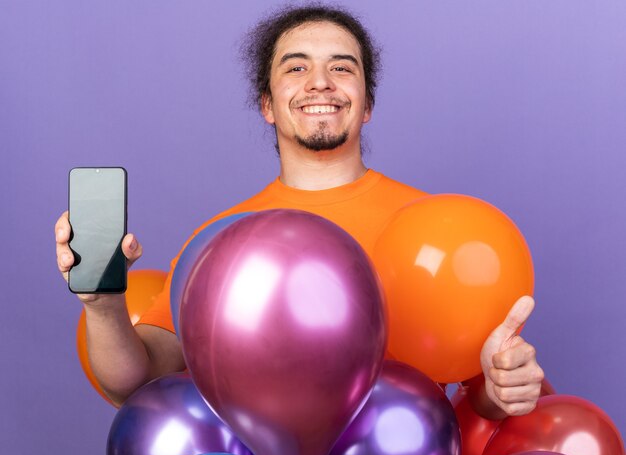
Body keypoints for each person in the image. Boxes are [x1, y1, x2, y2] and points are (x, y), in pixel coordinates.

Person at [55, 4, 544, 417]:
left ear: (366, 103)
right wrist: (101, 305)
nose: (320, 83)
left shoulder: (437, 227)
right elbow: (136, 384)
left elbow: (481, 389)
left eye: (342, 67)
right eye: (295, 67)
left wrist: (502, 388)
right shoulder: (224, 239)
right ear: (268, 104)